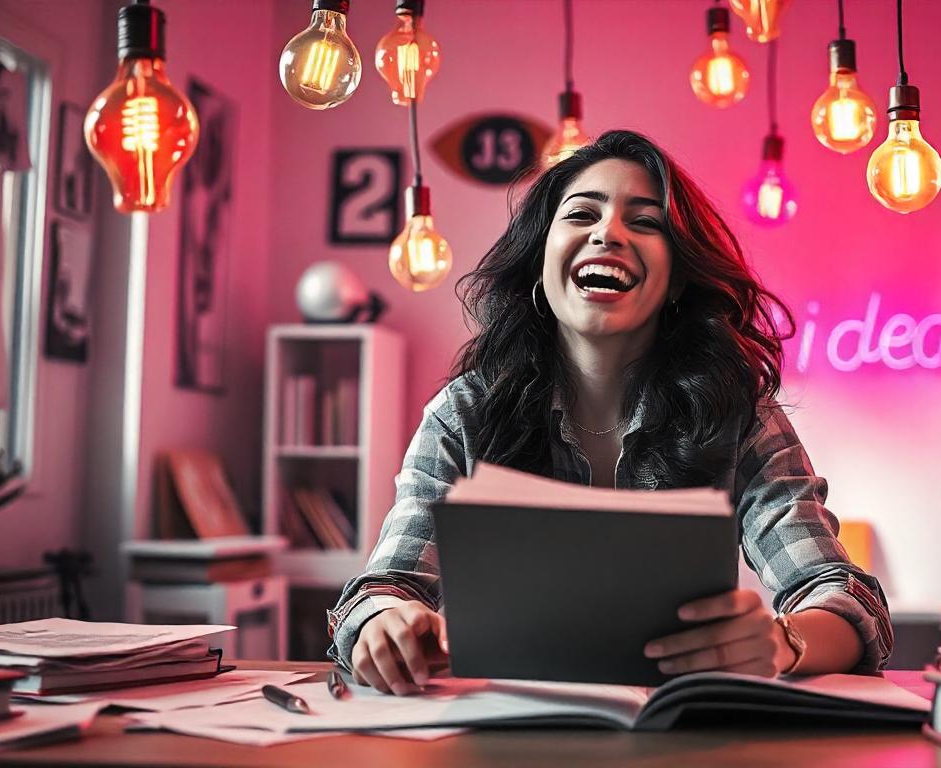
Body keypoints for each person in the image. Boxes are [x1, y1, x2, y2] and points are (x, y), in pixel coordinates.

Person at [327, 130, 892, 695]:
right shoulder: (463, 414)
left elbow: (841, 594)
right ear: (540, 263)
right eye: (581, 214)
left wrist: (783, 641)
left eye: (645, 222)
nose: (608, 233)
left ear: (675, 279)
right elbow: (384, 589)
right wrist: (384, 623)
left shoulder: (738, 413)